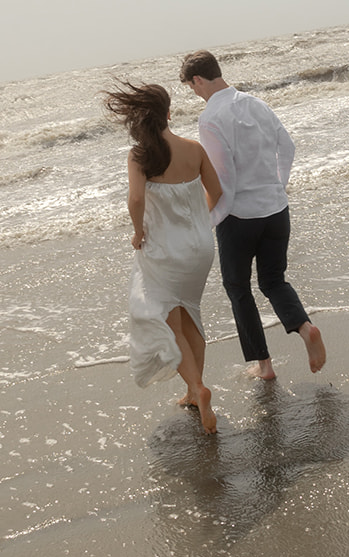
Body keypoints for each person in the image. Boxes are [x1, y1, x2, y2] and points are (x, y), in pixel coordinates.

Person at [179, 50, 326, 381]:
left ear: (198, 80)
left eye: (192, 87)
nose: (195, 92)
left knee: (238, 288)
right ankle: (305, 329)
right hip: (276, 209)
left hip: (239, 217)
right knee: (274, 280)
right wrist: (276, 186)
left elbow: (224, 179)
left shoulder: (210, 117)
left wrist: (210, 218)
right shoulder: (256, 103)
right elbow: (287, 147)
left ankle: (264, 365)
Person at [103, 81, 222, 432]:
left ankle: (198, 389)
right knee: (192, 317)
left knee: (171, 324)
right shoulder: (194, 149)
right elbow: (216, 192)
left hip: (164, 252)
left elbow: (136, 200)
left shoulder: (140, 156)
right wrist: (200, 223)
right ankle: (191, 390)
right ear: (169, 113)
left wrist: (138, 232)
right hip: (199, 248)